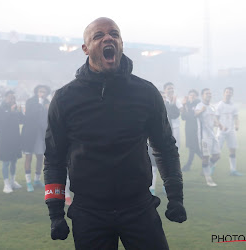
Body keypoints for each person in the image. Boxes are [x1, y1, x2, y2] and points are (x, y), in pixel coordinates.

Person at [44, 17, 186, 249]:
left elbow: (165, 147)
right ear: (85, 48)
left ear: (121, 44)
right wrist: (55, 212)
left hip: (139, 207)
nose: (108, 38)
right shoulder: (64, 98)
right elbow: (53, 159)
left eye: (114, 34)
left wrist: (176, 197)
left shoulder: (146, 93)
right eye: (98, 35)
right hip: (89, 212)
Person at [21, 85, 50, 192]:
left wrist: (48, 108)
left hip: (41, 134)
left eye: (44, 92)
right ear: (36, 92)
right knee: (28, 157)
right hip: (29, 133)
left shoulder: (48, 102)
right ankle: (28, 182)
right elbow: (28, 115)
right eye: (40, 91)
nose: (42, 93)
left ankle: (37, 180)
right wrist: (39, 104)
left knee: (40, 157)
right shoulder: (30, 101)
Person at [0, 91, 23, 193]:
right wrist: (11, 112)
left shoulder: (15, 109)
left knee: (14, 161)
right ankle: (6, 184)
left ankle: (12, 181)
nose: (12, 100)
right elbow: (1, 123)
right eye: (10, 98)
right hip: (5, 140)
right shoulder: (0, 109)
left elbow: (22, 121)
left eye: (13, 98)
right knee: (6, 162)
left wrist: (20, 112)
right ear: (5, 98)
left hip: (15, 139)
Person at [195, 88, 221, 187]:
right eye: (207, 94)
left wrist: (218, 124)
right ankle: (209, 180)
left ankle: (205, 168)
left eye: (210, 94)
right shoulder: (200, 105)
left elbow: (213, 120)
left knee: (217, 156)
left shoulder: (211, 107)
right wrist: (201, 111)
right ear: (202, 95)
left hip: (212, 135)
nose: (209, 95)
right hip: (204, 136)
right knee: (205, 157)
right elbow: (196, 114)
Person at [216, 87, 242, 176]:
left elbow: (236, 117)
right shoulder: (220, 105)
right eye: (227, 92)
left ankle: (233, 170)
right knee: (217, 151)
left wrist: (237, 125)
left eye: (230, 92)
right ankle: (210, 168)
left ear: (232, 94)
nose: (228, 94)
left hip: (231, 131)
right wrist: (221, 126)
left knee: (232, 150)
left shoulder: (233, 105)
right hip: (221, 131)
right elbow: (216, 118)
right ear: (224, 93)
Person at [181, 89, 201, 171]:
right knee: (192, 147)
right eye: (190, 95)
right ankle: (206, 161)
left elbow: (192, 116)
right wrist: (184, 105)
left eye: (194, 95)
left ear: (196, 97)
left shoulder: (198, 104)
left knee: (193, 147)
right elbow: (183, 117)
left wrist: (186, 110)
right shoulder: (187, 104)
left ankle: (188, 165)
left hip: (196, 128)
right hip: (188, 128)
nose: (192, 96)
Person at [164, 82, 182, 149]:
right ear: (165, 90)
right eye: (169, 88)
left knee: (176, 145)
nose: (171, 90)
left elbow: (181, 110)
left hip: (175, 126)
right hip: (165, 126)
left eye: (172, 88)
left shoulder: (177, 100)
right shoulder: (163, 99)